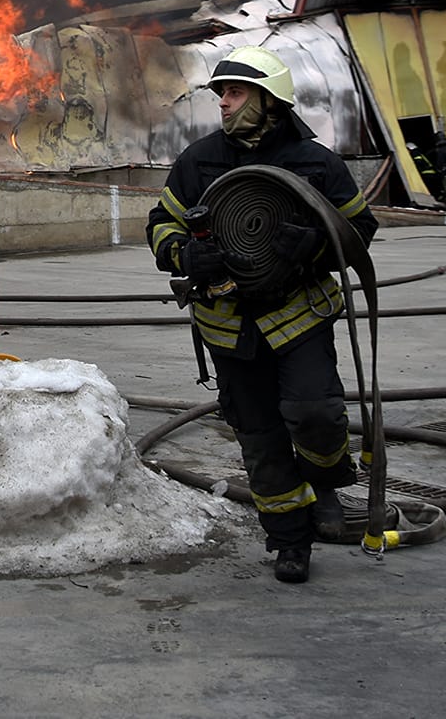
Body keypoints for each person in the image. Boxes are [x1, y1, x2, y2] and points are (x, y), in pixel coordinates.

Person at [146, 46, 379, 585]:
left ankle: (324, 486)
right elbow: (161, 223)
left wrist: (316, 244)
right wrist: (185, 254)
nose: (223, 104)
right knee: (258, 435)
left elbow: (359, 229)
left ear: (270, 101)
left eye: (234, 93)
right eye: (221, 94)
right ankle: (290, 541)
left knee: (316, 414)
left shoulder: (316, 163)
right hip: (228, 322)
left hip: (297, 313)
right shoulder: (198, 162)